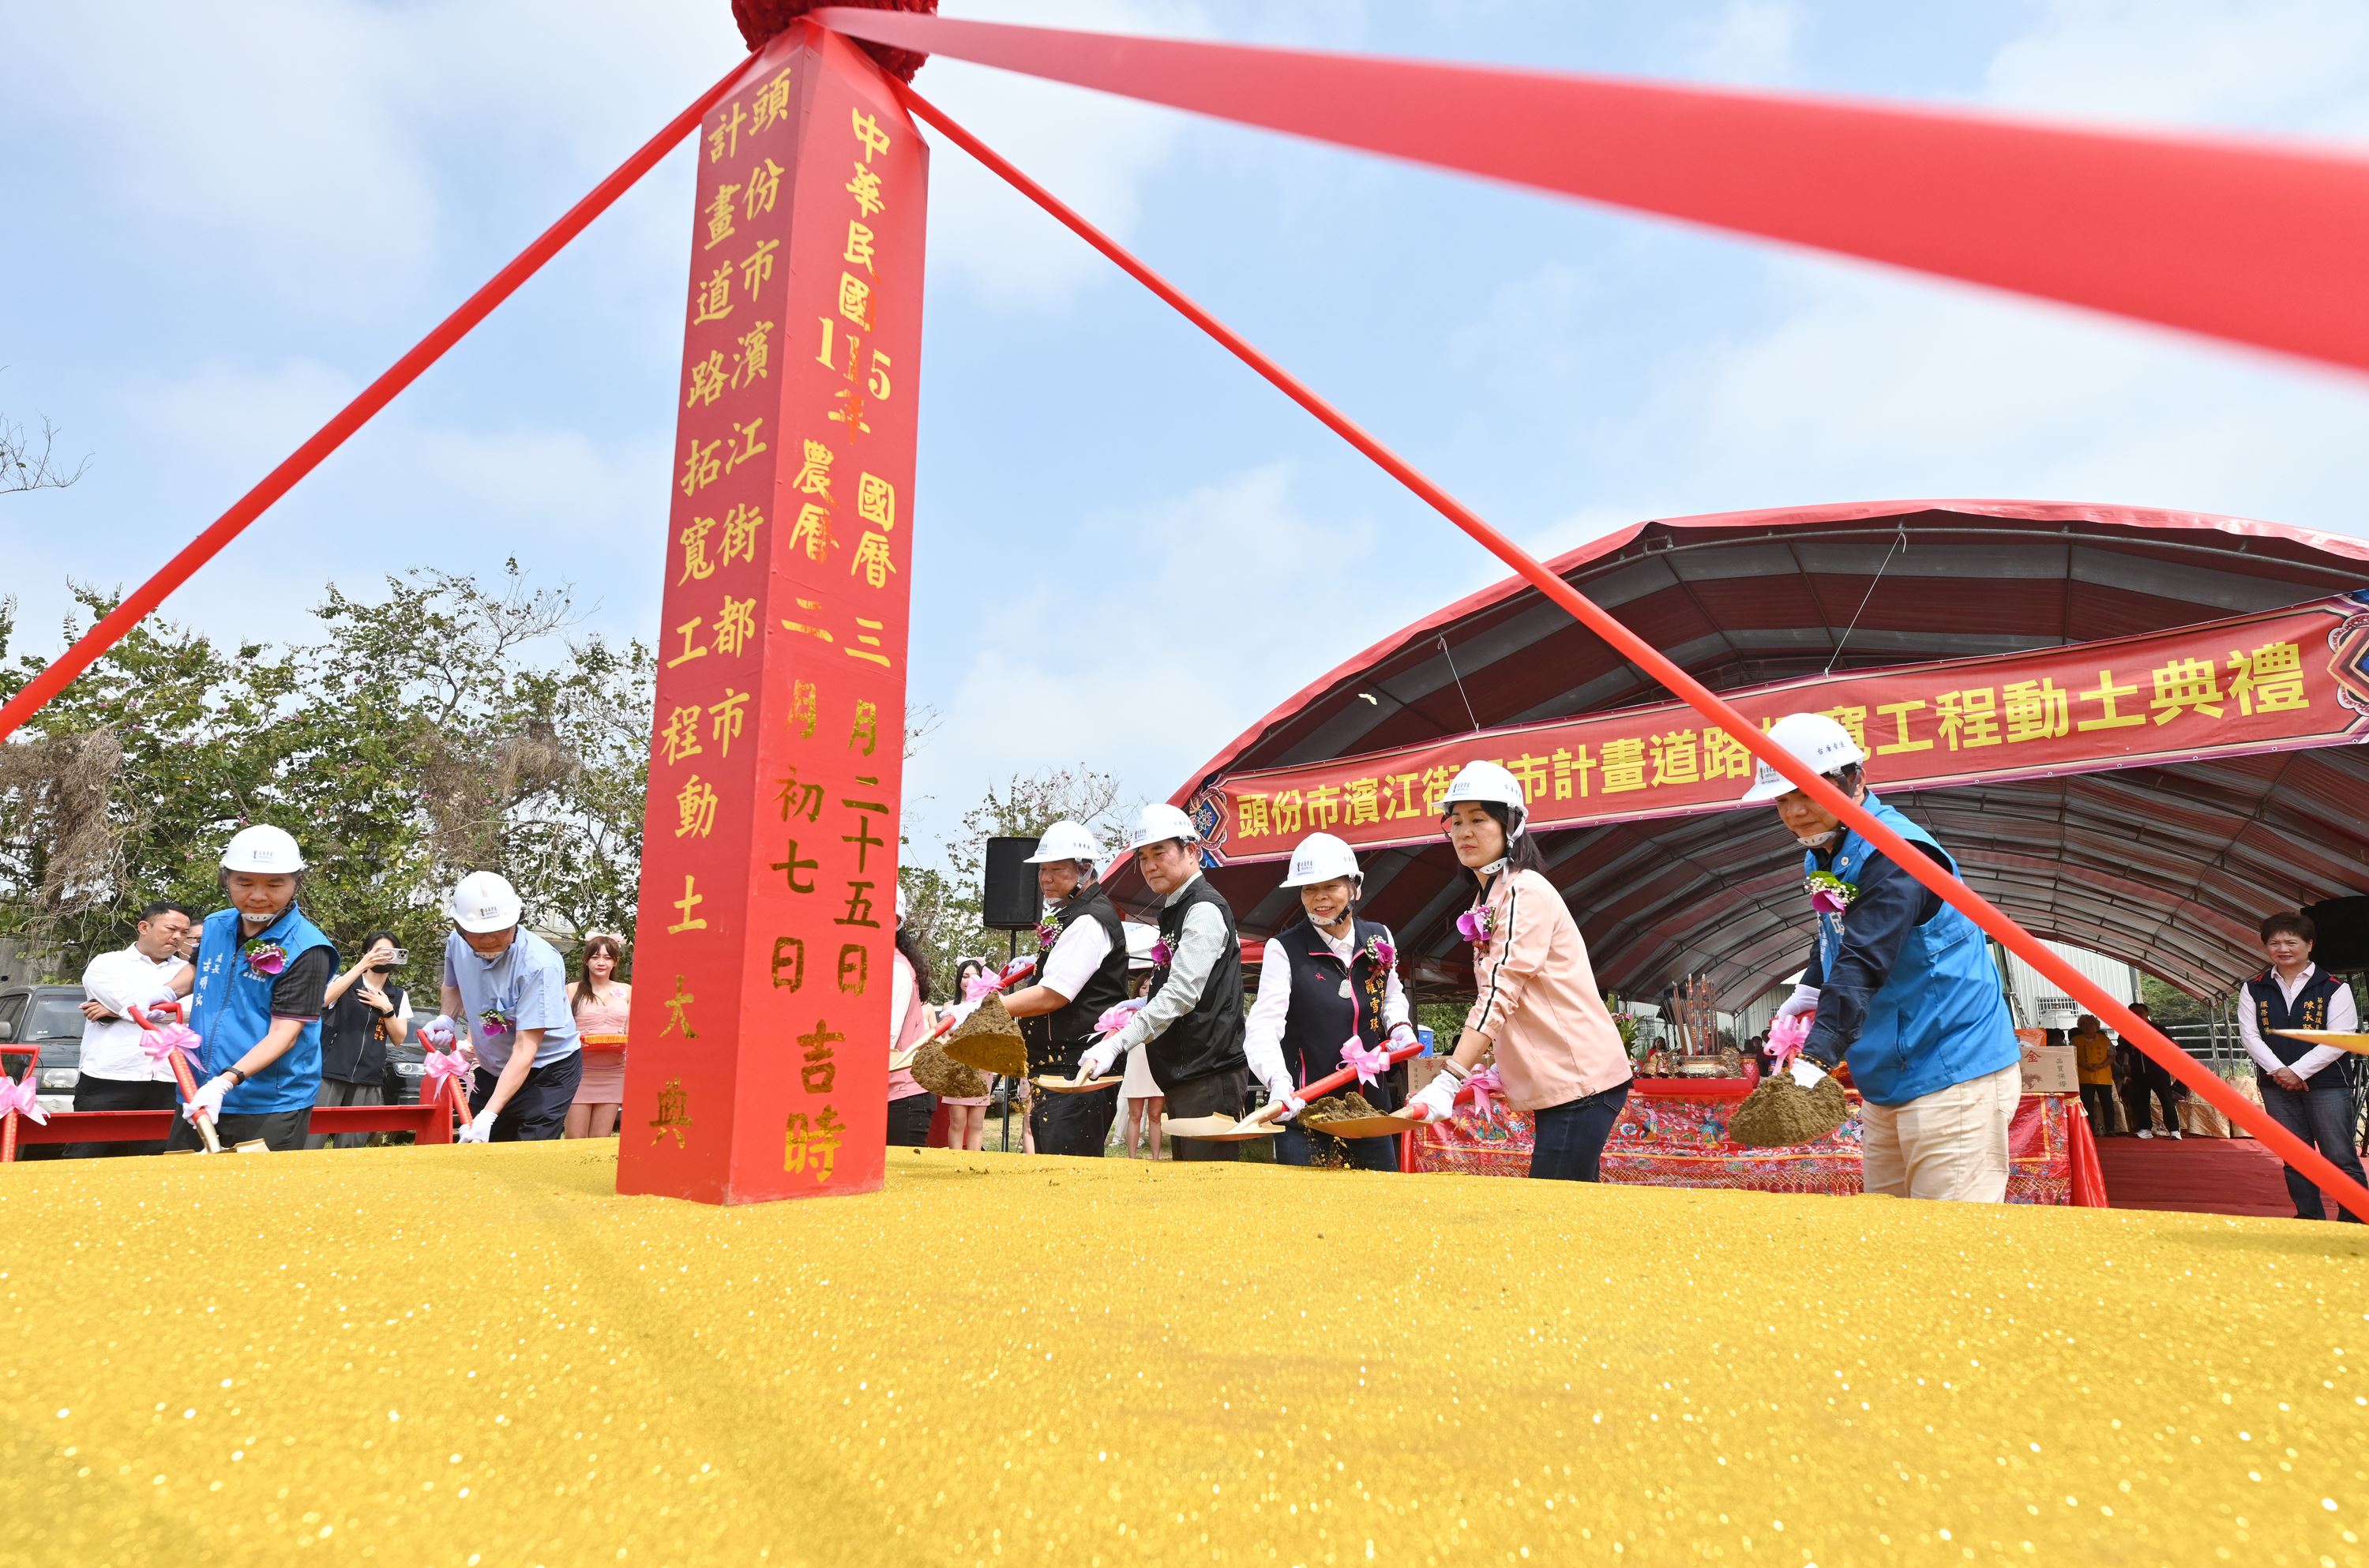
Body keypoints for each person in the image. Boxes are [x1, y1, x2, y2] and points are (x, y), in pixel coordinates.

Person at [1734, 711, 2022, 1201]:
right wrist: (1809, 986)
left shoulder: (1897, 855)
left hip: (1950, 1066)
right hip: (1887, 1071)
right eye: (1783, 799)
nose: (1796, 812)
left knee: (1948, 1237)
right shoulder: (1824, 849)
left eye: (1808, 792)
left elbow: (1864, 960)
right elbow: (1836, 930)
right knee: (1887, 1225)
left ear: (1857, 779)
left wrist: (1816, 1060)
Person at [1402, 763, 1633, 1181]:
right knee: (1566, 1203)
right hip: (1564, 1082)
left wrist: (1452, 1077)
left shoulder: (1525, 892)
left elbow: (1499, 990)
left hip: (1580, 1081)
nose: (1463, 833)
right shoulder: (1489, 897)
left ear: (1512, 826)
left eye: (1478, 819)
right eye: (1455, 822)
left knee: (1554, 1206)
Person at [1078, 804, 1250, 1163]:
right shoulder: (1176, 907)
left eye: (1160, 852)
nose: (1149, 865)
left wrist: (1116, 1044)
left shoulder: (1202, 908)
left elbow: (1182, 993)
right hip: (1188, 1073)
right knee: (1187, 1187)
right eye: (1142, 857)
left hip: (1209, 1072)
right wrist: (1141, 1002)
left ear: (1193, 851)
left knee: (1206, 1191)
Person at [1244, 832, 1417, 1172]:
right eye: (1309, 889)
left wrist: (1399, 1027)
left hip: (1370, 1114)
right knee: (1311, 1219)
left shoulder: (1379, 936)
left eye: (1331, 887)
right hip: (1307, 1110)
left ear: (1355, 889)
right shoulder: (1284, 949)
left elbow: (1391, 995)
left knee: (1381, 1211)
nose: (1319, 898)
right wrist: (1278, 1082)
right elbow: (1263, 1026)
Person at [166, 825, 338, 1153]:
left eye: (274, 884)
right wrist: (162, 994)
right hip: (197, 1089)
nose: (258, 895)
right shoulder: (216, 925)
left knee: (256, 1198)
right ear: (225, 880)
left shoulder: (307, 948)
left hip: (267, 1101)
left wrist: (225, 1082)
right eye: (244, 882)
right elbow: (198, 969)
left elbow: (285, 1033)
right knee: (185, 1190)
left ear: (296, 882)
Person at [998, 820, 1128, 1158]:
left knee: (1069, 1177)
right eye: (1043, 870)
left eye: (1057, 869)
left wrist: (991, 1007)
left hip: (1076, 1070)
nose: (1046, 879)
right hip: (1058, 1068)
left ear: (1085, 870)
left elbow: (1055, 993)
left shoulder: (1088, 921)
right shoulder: (1072, 916)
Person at [422, 871, 581, 1142]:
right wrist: (447, 1018)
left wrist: (489, 1115)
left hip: (546, 1072)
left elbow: (525, 1049)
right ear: (460, 928)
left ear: (516, 920)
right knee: (478, 1148)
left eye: (500, 931)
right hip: (492, 1067)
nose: (489, 940)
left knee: (527, 1156)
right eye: (479, 933)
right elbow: (453, 985)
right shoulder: (456, 943)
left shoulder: (539, 964)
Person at [2239, 910, 2364, 1222]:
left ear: (2310, 944)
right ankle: (2308, 1218)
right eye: (2274, 943)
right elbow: (2250, 1036)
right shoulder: (2254, 988)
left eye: (2291, 942)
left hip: (2328, 1086)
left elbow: (2340, 1037)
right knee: (2295, 1157)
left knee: (2340, 1156)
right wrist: (2281, 1072)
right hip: (2276, 1085)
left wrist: (2298, 1071)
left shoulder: (2334, 987)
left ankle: (2355, 1219)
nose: (2282, 949)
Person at [65, 902, 193, 1158]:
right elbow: (131, 1004)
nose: (178, 937)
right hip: (110, 1074)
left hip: (168, 1077)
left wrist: (115, 1011)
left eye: (184, 932)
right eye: (171, 929)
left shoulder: (188, 971)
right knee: (85, 1153)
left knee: (156, 1158)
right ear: (144, 927)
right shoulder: (107, 964)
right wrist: (132, 1008)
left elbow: (195, 1012)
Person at [307, 931, 411, 1150]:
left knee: (352, 1146)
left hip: (368, 1076)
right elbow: (323, 1001)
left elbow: (399, 1038)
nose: (384, 958)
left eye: (389, 953)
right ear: (366, 953)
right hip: (330, 1072)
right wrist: (360, 967)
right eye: (378, 952)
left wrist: (387, 1009)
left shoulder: (398, 995)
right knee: (311, 1140)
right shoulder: (344, 981)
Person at [565, 933, 632, 1139]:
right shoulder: (572, 989)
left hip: (614, 1070)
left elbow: (631, 1031)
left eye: (607, 957)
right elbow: (561, 1032)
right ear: (586, 960)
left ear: (615, 962)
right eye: (595, 957)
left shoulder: (627, 990)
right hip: (579, 1070)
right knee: (575, 1139)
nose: (601, 962)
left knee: (601, 1139)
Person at [886, 893, 937, 1147]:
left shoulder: (895, 970)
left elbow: (886, 1042)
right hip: (893, 1096)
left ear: (894, 920)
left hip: (901, 1098)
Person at [1117, 928, 1164, 1159]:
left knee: (1155, 1115)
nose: (1148, 989)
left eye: (1151, 986)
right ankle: (1132, 1159)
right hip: (1137, 1061)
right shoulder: (1128, 1009)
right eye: (1144, 987)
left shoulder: (1166, 1007)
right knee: (1134, 1114)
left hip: (1158, 1060)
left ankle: (1155, 1159)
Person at [2114, 1000, 2181, 1138]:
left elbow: (2173, 1046)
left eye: (2140, 1013)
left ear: (2147, 1014)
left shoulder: (2159, 1029)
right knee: (2141, 1101)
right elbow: (2122, 1051)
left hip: (2158, 1071)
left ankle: (2174, 1130)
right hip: (2138, 1073)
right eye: (2133, 1013)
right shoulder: (2126, 1032)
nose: (2137, 1016)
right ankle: (2145, 1129)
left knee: (2166, 1100)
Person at [2070, 1012, 2118, 1134]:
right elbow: (2072, 1056)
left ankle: (2111, 1129)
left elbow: (2112, 1056)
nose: (2088, 1026)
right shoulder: (2075, 1040)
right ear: (2080, 1026)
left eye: (2091, 1024)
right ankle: (2089, 1130)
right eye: (2085, 1024)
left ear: (2097, 1026)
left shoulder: (2105, 1040)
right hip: (2084, 1077)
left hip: (2103, 1077)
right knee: (2087, 1105)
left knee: (2107, 1104)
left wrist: (2102, 1065)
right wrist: (2084, 1064)